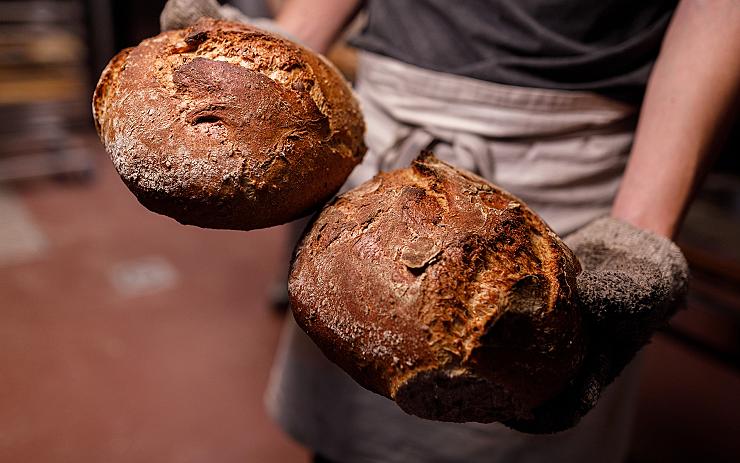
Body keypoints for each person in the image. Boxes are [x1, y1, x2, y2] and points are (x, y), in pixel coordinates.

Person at [161, 1, 740, 462]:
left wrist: (640, 227)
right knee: (349, 433)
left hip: (563, 162)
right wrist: (285, 44)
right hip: (380, 139)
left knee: (513, 418)